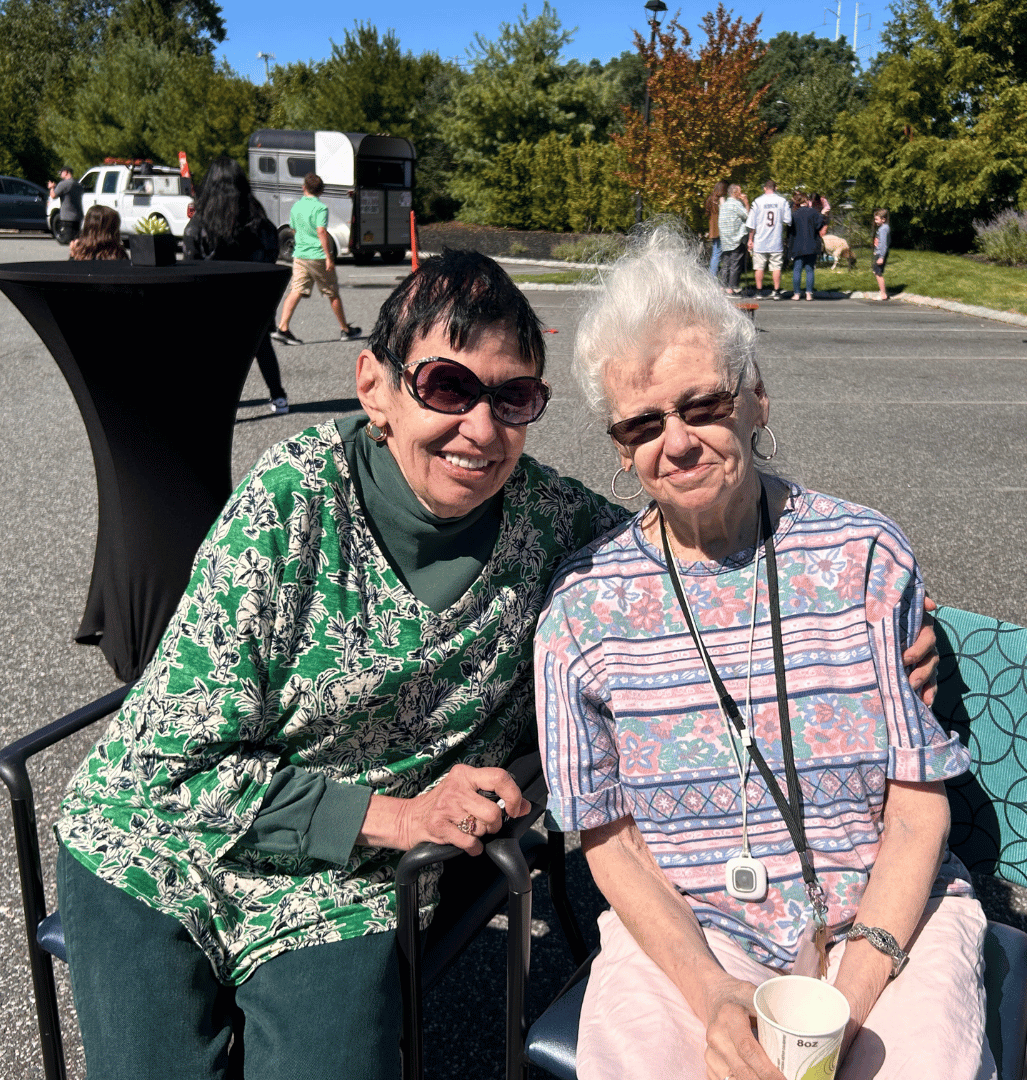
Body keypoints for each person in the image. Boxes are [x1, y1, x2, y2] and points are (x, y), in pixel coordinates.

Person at [53, 250, 626, 1080]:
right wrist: (402, 817)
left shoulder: (554, 521)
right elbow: (164, 772)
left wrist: (865, 622)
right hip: (154, 844)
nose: (482, 427)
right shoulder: (292, 499)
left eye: (514, 397)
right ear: (375, 388)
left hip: (341, 886)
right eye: (446, 386)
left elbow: (685, 554)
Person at [535, 226, 990, 1080]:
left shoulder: (863, 557)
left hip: (888, 925)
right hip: (691, 936)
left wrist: (845, 1009)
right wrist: (710, 994)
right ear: (620, 450)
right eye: (642, 423)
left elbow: (918, 807)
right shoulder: (581, 611)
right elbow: (610, 839)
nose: (676, 440)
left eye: (702, 404)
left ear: (756, 399)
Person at [183, 156, 290, 415]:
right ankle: (278, 397)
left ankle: (215, 400)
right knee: (262, 347)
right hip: (251, 301)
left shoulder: (200, 222)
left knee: (211, 353)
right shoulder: (257, 219)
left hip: (212, 301)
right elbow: (271, 252)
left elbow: (190, 260)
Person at [272, 172, 363, 345]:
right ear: (321, 190)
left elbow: (293, 229)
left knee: (296, 290)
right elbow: (321, 231)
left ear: (303, 188)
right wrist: (328, 256)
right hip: (316, 255)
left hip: (299, 254)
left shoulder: (296, 207)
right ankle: (346, 330)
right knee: (332, 292)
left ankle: (283, 328)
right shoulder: (320, 208)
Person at [746, 179, 791, 301]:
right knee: (776, 266)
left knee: (759, 266)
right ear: (775, 188)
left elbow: (752, 224)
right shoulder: (782, 201)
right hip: (775, 239)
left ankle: (759, 291)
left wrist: (750, 239)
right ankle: (776, 291)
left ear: (765, 188)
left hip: (760, 239)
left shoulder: (758, 202)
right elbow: (788, 220)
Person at [788, 192, 827, 301]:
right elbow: (819, 226)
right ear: (806, 201)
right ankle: (809, 293)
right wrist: (823, 214)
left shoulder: (794, 214)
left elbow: (790, 231)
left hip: (797, 245)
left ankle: (796, 293)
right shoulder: (813, 212)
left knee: (797, 270)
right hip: (811, 245)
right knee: (809, 270)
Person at [718, 184, 750, 297]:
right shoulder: (736, 204)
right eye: (740, 192)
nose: (741, 194)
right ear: (735, 193)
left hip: (725, 238)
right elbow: (747, 216)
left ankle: (722, 286)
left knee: (726, 264)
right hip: (736, 238)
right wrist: (746, 202)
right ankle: (731, 287)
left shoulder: (724, 205)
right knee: (735, 264)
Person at [48, 166, 83, 252]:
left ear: (66, 172)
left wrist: (51, 187)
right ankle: (79, 254)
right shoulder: (78, 184)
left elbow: (53, 195)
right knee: (76, 238)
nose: (60, 174)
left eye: (61, 172)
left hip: (67, 216)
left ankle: (74, 257)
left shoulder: (63, 184)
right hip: (78, 215)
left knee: (70, 240)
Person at [705, 181, 728, 277]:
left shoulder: (710, 199)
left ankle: (712, 277)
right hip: (721, 230)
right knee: (718, 255)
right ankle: (713, 278)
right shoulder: (720, 199)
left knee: (715, 254)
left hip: (713, 230)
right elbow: (725, 213)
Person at [873, 209, 891, 301]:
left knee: (878, 273)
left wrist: (881, 257)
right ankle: (882, 291)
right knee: (876, 272)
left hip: (881, 254)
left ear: (883, 219)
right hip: (879, 252)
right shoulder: (883, 228)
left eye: (877, 219)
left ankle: (883, 294)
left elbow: (884, 244)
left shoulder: (884, 229)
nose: (875, 221)